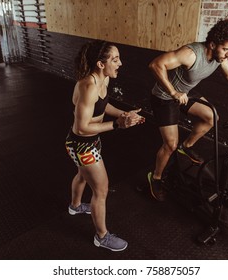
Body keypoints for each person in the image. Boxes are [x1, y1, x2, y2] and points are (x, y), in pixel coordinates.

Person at [147, 19, 228, 201]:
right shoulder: (191, 54)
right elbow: (156, 64)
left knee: (212, 117)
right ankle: (155, 177)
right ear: (212, 44)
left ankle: (186, 147)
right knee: (169, 145)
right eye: (226, 49)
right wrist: (173, 92)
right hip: (164, 97)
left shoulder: (219, 57)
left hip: (185, 94)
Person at [65, 39, 145, 251]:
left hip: (89, 141)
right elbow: (81, 128)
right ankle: (102, 237)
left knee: (83, 175)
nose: (120, 63)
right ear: (101, 64)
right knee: (101, 190)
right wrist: (118, 125)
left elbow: (103, 104)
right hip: (82, 144)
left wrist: (123, 114)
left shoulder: (104, 81)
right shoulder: (88, 86)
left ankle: (75, 206)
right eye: (115, 59)